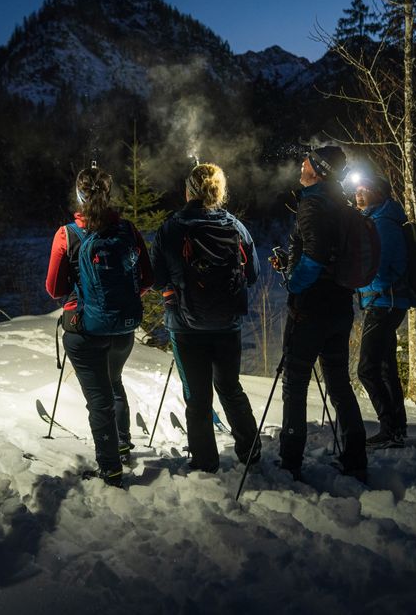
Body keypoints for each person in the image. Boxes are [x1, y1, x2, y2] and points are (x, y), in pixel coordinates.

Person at [45, 165, 153, 487]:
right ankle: (122, 444)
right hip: (122, 328)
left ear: (79, 194)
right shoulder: (127, 229)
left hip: (84, 329)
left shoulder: (67, 234)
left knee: (99, 400)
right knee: (114, 381)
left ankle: (111, 468)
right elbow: (147, 278)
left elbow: (54, 288)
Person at [150, 163, 261, 472]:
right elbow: (252, 274)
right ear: (218, 191)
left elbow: (156, 277)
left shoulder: (171, 228)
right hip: (228, 325)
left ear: (188, 191)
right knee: (230, 387)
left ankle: (205, 461)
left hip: (186, 327)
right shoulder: (235, 226)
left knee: (198, 397)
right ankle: (250, 450)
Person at [270, 145, 368, 481]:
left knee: (295, 382)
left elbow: (314, 257)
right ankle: (356, 458)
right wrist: (292, 262)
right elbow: (324, 253)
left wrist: (295, 286)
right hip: (341, 303)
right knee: (339, 382)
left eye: (307, 161)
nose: (301, 163)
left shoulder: (313, 204)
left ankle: (291, 459)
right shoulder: (341, 203)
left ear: (319, 169)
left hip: (312, 307)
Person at [354, 173, 410, 448]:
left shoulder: (383, 223)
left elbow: (381, 266)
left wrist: (359, 279)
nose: (359, 193)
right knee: (386, 368)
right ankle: (397, 429)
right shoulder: (378, 220)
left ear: (380, 193)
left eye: (365, 189)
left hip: (383, 303)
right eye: (357, 189)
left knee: (366, 368)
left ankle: (389, 428)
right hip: (387, 303)